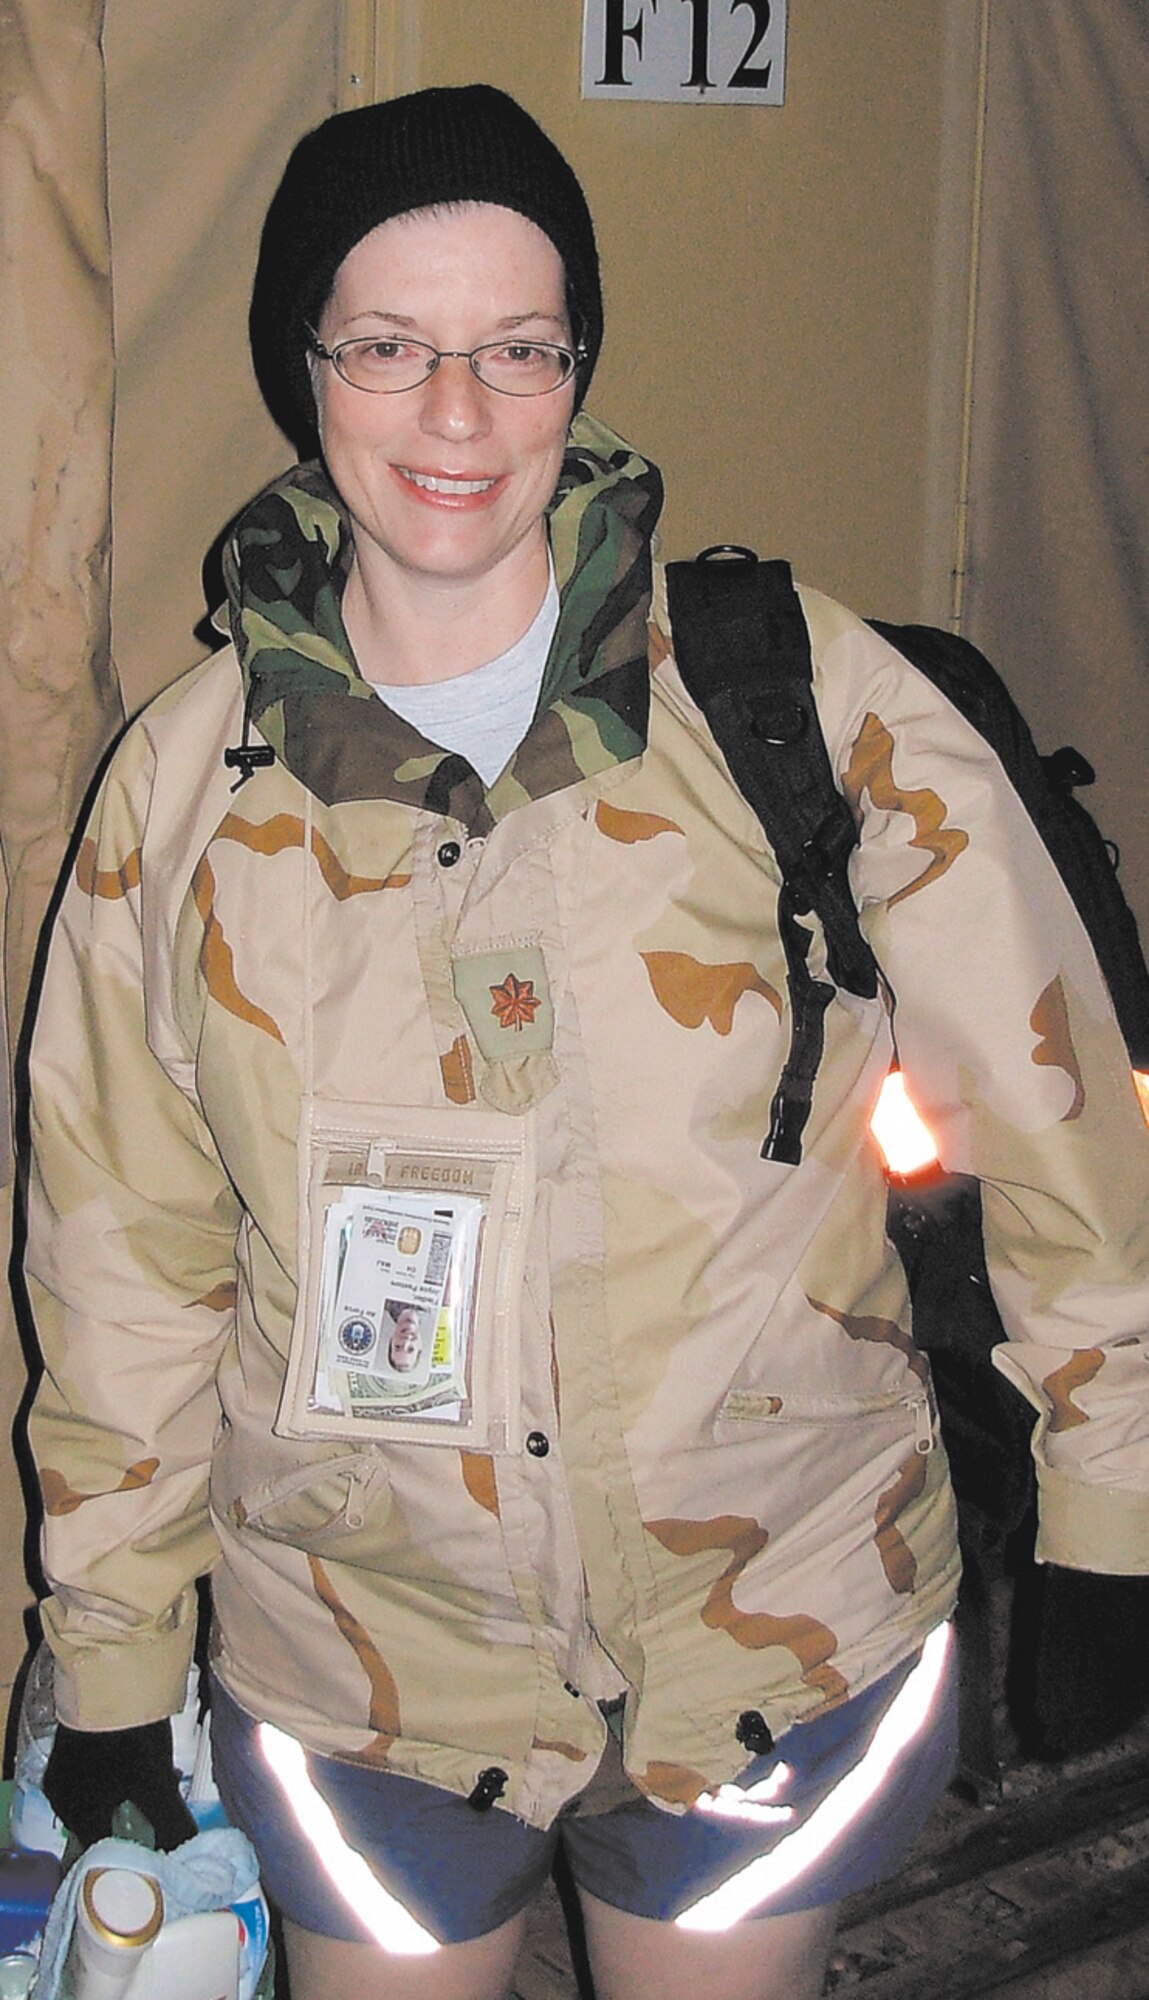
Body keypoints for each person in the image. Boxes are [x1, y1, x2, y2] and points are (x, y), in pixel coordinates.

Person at [23, 84, 1149, 2000]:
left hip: (771, 1628)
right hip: (363, 1664)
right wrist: (114, 1650)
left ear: (578, 364)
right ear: (307, 369)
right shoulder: (182, 789)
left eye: (516, 346)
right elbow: (124, 1239)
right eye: (387, 345)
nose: (454, 413)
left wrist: (1113, 1495)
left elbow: (1052, 1110)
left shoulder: (789, 693)